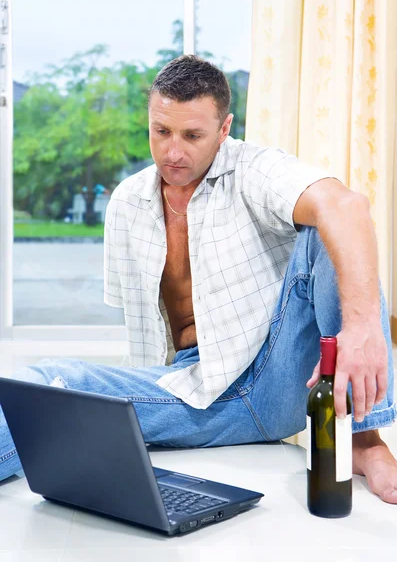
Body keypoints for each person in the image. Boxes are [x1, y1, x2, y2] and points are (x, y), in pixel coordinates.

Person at [1, 56, 397, 504]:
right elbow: (145, 332)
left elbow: (347, 207)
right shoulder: (128, 202)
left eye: (192, 136)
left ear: (224, 129)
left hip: (278, 372)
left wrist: (362, 328)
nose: (173, 152)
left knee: (325, 232)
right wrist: (135, 416)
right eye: (161, 131)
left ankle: (367, 441)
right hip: (195, 394)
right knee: (47, 385)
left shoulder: (253, 170)